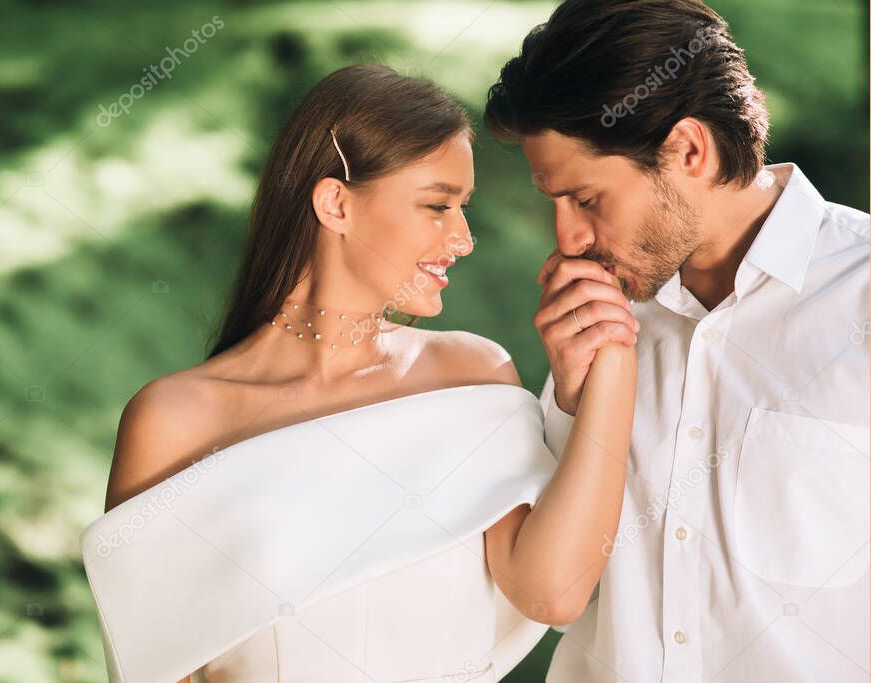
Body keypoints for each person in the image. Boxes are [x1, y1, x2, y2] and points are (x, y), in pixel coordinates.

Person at [80, 64, 637, 683]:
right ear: (336, 203)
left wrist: (612, 361)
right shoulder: (175, 421)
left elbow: (553, 595)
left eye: (463, 208)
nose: (463, 238)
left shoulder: (471, 378)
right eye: (437, 206)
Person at [483, 1, 870, 681]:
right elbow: (550, 597)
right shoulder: (597, 323)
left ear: (688, 150)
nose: (567, 239)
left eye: (587, 199)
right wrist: (571, 409)